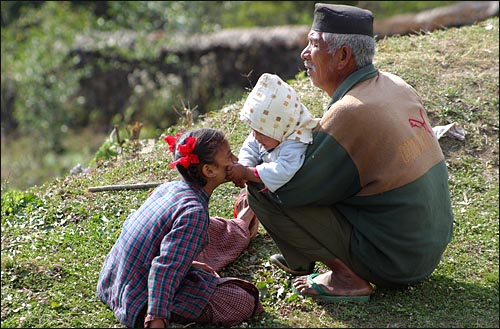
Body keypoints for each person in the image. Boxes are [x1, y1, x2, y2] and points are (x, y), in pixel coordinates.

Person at [240, 3, 454, 302]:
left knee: (263, 191)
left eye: (314, 45)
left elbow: (293, 191)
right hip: (424, 247)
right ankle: (300, 259)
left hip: (396, 261)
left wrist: (253, 171)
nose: (305, 53)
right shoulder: (395, 85)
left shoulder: (350, 112)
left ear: (343, 56)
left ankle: (347, 278)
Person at [97, 128, 263, 328]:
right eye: (229, 156)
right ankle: (242, 226)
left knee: (208, 229)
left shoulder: (169, 188)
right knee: (241, 300)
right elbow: (164, 270)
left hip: (111, 282)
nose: (235, 159)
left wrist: (189, 265)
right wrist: (156, 319)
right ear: (209, 171)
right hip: (138, 300)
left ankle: (241, 226)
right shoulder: (194, 213)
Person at [227, 73, 319, 194]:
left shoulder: (295, 142)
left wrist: (247, 172)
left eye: (261, 133)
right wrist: (245, 164)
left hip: (290, 194)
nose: (256, 137)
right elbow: (251, 147)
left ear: (282, 128)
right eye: (254, 131)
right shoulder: (266, 133)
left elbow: (283, 171)